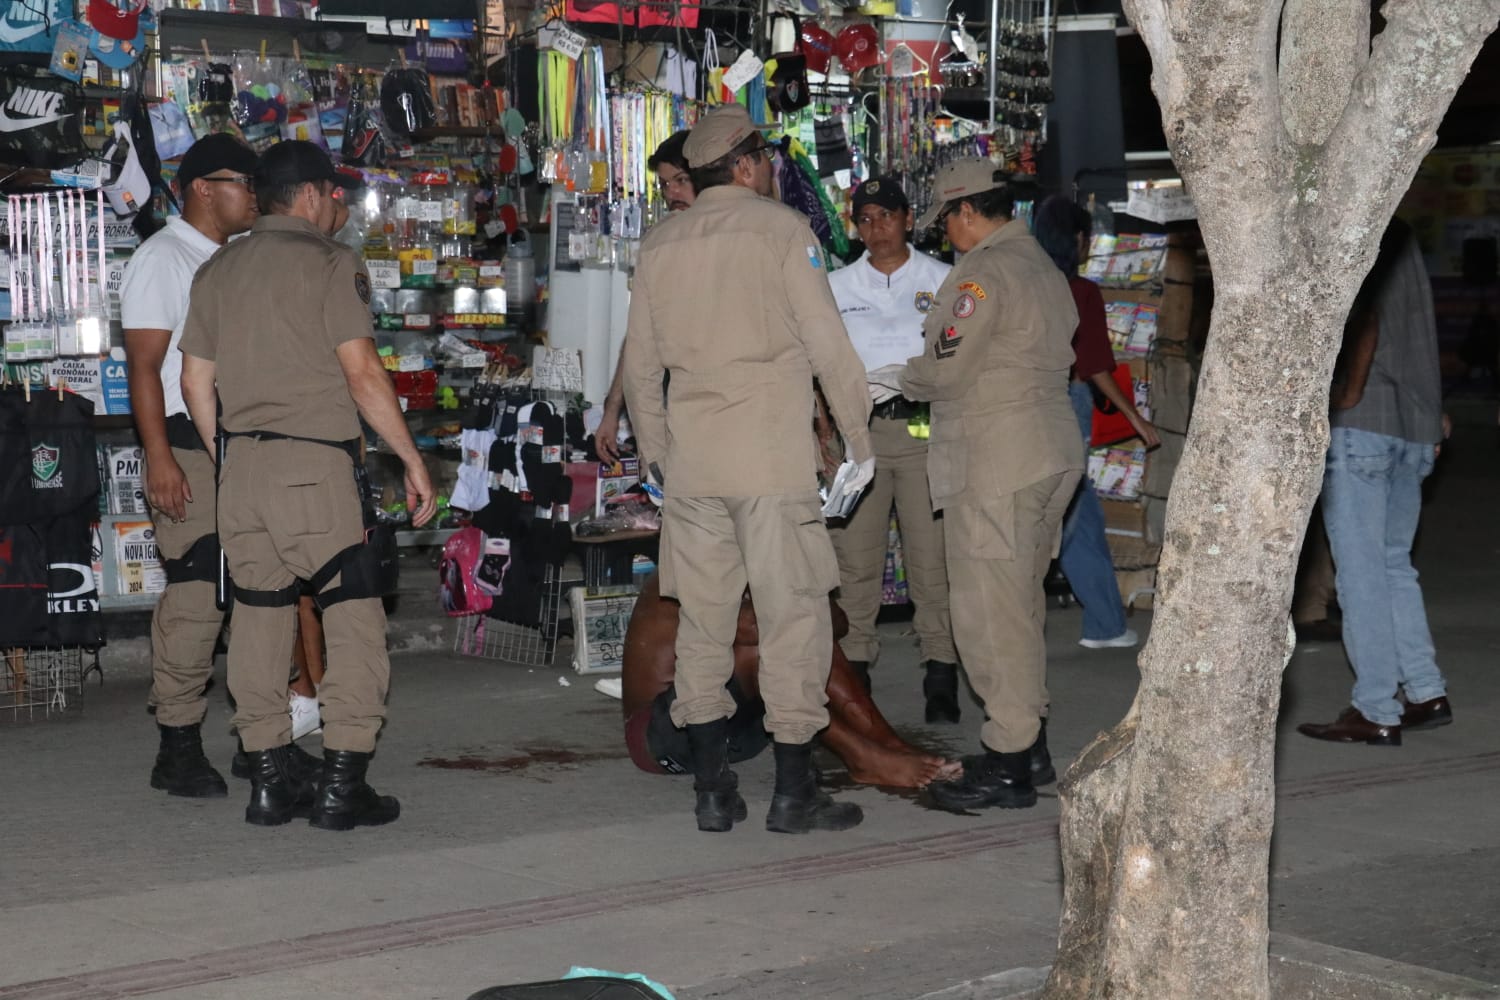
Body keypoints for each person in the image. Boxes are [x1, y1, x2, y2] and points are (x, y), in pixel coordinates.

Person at [619, 104, 875, 835]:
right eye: (764, 159)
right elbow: (829, 347)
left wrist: (658, 457)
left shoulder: (661, 245)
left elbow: (641, 370)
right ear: (745, 165)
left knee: (703, 622)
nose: (768, 170)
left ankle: (712, 789)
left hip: (693, 467)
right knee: (793, 619)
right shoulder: (782, 231)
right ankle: (794, 794)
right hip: (770, 463)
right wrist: (858, 441)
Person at [180, 140, 437, 829]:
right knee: (353, 619)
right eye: (334, 192)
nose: (339, 205)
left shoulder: (217, 268)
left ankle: (269, 781)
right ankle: (343, 783)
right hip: (315, 469)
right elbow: (362, 373)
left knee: (258, 621)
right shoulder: (331, 263)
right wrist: (411, 459)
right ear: (311, 195)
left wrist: (229, 457)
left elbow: (194, 382)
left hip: (241, 471)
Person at [868, 160, 1082, 811]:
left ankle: (1009, 759)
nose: (945, 234)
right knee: (1019, 607)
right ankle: (1030, 745)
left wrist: (895, 378)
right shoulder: (1042, 265)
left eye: (947, 220)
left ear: (966, 211)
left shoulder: (983, 274)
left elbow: (946, 370)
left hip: (997, 460)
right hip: (1047, 450)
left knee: (988, 616)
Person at [122, 133, 263, 798]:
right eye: (245, 182)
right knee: (198, 590)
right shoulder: (163, 257)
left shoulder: (239, 255)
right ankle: (177, 744)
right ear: (204, 188)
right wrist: (158, 457)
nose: (255, 195)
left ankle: (261, 738)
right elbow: (143, 367)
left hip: (246, 442)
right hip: (185, 446)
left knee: (260, 593)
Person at [1297, 219, 1452, 746]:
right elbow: (1417, 335)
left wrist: (1348, 394)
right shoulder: (1405, 236)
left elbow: (1366, 319)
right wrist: (1433, 412)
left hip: (1364, 425)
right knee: (1392, 567)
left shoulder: (1358, 222)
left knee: (1360, 574)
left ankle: (1376, 708)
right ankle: (1426, 691)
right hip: (1413, 426)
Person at [825, 176, 960, 721]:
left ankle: (940, 671)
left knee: (932, 559)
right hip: (861, 434)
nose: (877, 227)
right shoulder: (836, 286)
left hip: (926, 431)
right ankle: (855, 669)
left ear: (907, 218)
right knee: (855, 560)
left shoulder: (944, 279)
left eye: (886, 215)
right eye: (866, 219)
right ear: (855, 227)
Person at [623, 574, 956, 788]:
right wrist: (802, 605)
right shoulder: (689, 568)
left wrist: (803, 593)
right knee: (773, 647)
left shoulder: (760, 556)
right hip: (667, 738)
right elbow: (756, 628)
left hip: (737, 734)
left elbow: (838, 624)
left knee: (811, 636)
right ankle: (861, 758)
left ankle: (888, 743)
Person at [1032, 195, 1159, 650]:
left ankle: (1105, 623)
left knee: (1077, 510)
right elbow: (1094, 365)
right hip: (1068, 403)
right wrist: (1134, 417)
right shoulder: (1080, 291)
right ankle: (1091, 622)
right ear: (1077, 239)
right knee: (1066, 513)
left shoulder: (1024, 285)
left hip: (1024, 405)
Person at [595, 131, 695, 465]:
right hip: (671, 406)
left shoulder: (737, 238)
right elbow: (639, 334)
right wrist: (612, 410)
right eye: (665, 185)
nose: (672, 193)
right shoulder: (662, 244)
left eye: (681, 180)